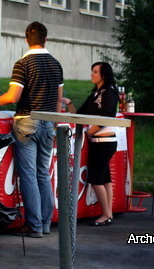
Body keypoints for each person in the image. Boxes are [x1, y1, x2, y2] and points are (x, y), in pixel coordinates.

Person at [0, 21, 63, 238]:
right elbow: (59, 100)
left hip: (27, 122)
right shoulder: (56, 64)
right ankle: (46, 223)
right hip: (49, 122)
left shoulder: (23, 63)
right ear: (45, 39)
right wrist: (54, 125)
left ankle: (35, 226)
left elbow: (13, 97)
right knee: (43, 174)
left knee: (29, 175)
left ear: (26, 40)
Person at [62, 62, 119, 226]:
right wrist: (69, 103)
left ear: (104, 75)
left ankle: (106, 214)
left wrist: (90, 131)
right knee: (105, 178)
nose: (91, 74)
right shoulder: (96, 93)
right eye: (92, 71)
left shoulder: (110, 93)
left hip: (105, 141)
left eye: (95, 72)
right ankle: (108, 213)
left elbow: (107, 116)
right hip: (99, 142)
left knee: (95, 178)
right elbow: (80, 114)